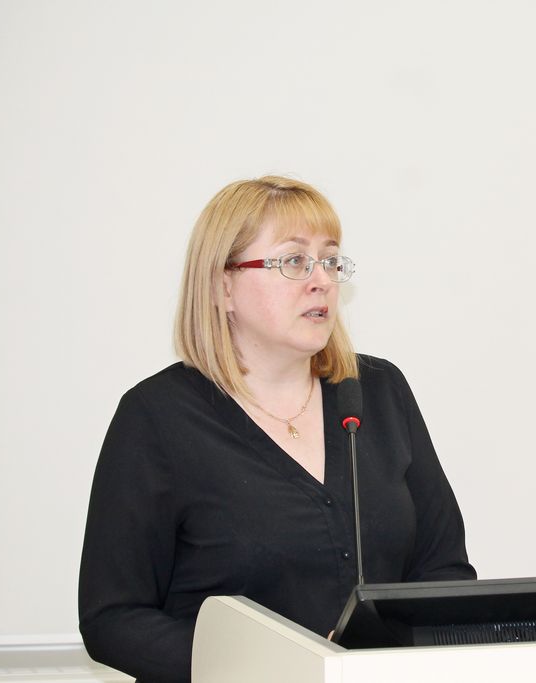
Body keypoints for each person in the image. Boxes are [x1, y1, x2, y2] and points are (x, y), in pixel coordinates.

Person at [79, 176, 475, 683]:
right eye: (293, 261)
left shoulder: (378, 391)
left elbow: (443, 572)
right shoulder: (156, 418)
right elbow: (113, 618)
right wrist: (268, 669)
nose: (321, 280)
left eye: (330, 260)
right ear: (223, 286)